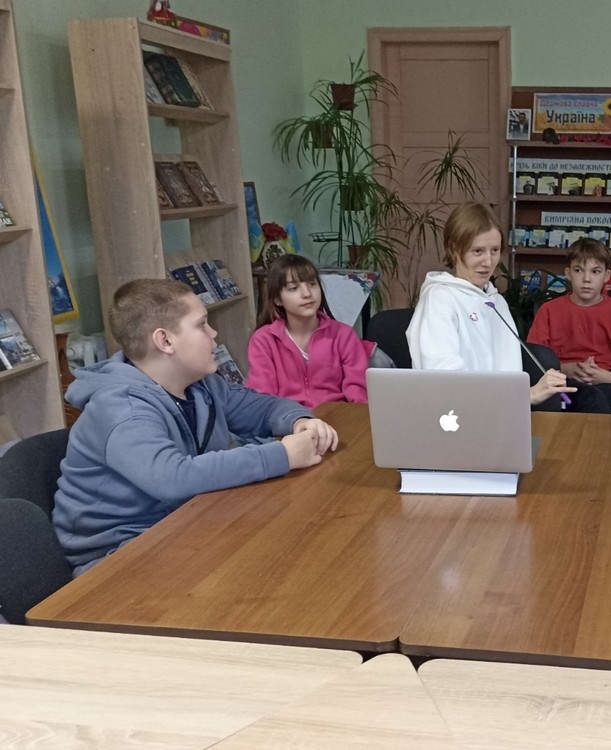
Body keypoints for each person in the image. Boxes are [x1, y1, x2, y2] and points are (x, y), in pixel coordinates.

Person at [53, 279, 338, 577]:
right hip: (116, 555)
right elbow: (174, 478)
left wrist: (299, 421)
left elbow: (259, 408)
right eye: (202, 324)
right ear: (165, 341)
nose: (214, 333)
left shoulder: (200, 384)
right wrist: (282, 455)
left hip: (185, 523)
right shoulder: (122, 409)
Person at [406, 202, 574, 406]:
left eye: (494, 250)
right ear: (454, 249)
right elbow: (445, 383)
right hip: (453, 417)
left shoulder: (496, 301)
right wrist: (525, 396)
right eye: (478, 251)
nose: (488, 262)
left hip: (499, 414)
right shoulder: (439, 299)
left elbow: (509, 377)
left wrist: (521, 397)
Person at [527, 238, 611, 413]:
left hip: (605, 384)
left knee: (594, 398)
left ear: (606, 276)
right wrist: (565, 369)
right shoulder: (548, 310)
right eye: (578, 270)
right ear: (568, 273)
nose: (586, 279)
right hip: (560, 384)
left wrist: (608, 376)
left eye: (595, 271)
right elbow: (534, 360)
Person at [246, 254, 369, 407]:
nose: (307, 294)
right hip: (288, 418)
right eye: (293, 288)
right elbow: (262, 397)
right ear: (277, 299)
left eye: (312, 284)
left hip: (337, 416)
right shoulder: (264, 340)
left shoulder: (343, 335)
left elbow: (358, 392)